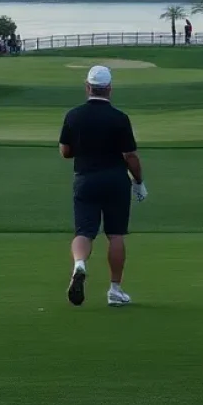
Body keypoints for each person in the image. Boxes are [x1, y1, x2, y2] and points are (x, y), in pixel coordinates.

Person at [59, 65, 146, 308]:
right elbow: (130, 156)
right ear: (109, 89)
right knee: (115, 234)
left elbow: (65, 152)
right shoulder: (119, 118)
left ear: (87, 87)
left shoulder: (73, 116)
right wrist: (139, 181)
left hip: (85, 178)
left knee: (84, 231)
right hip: (116, 180)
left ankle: (79, 265)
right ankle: (115, 290)